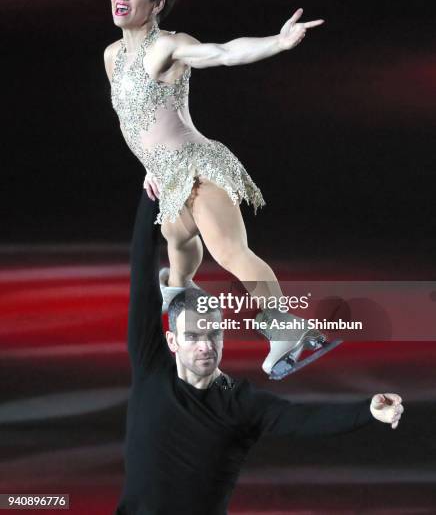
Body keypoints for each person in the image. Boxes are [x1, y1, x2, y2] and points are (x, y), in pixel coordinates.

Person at [103, 0, 337, 378]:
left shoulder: (168, 47)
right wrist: (150, 168)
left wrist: (278, 43)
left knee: (229, 251)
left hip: (196, 166)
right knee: (179, 245)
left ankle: (286, 328)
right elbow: (132, 121)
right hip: (168, 177)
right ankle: (177, 295)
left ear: (156, 4)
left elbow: (225, 53)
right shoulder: (112, 56)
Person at [114, 191, 404, 515]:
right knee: (176, 235)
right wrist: (148, 199)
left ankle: (278, 322)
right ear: (172, 341)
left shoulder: (239, 402)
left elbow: (305, 419)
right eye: (193, 336)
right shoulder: (151, 366)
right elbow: (141, 278)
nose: (206, 345)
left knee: (212, 245)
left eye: (213, 334)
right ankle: (185, 281)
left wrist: (369, 410)